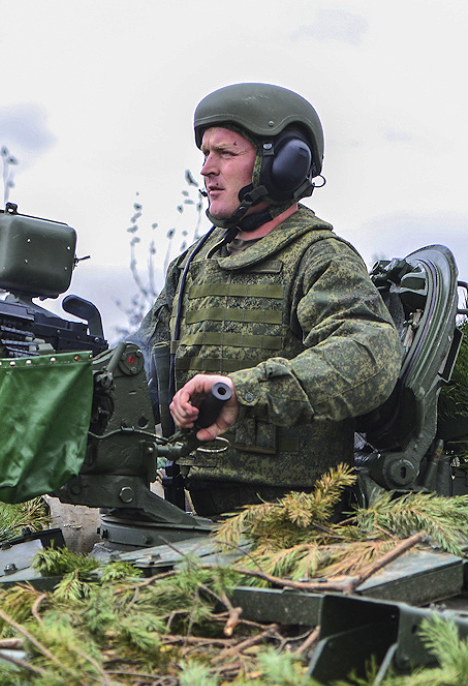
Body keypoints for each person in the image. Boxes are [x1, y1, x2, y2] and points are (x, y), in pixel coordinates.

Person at [136, 83, 401, 516]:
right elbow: (143, 360)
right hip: (194, 516)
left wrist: (242, 391)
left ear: (283, 166)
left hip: (296, 523)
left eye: (225, 153)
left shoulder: (319, 257)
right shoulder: (195, 263)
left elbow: (370, 356)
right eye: (205, 154)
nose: (207, 169)